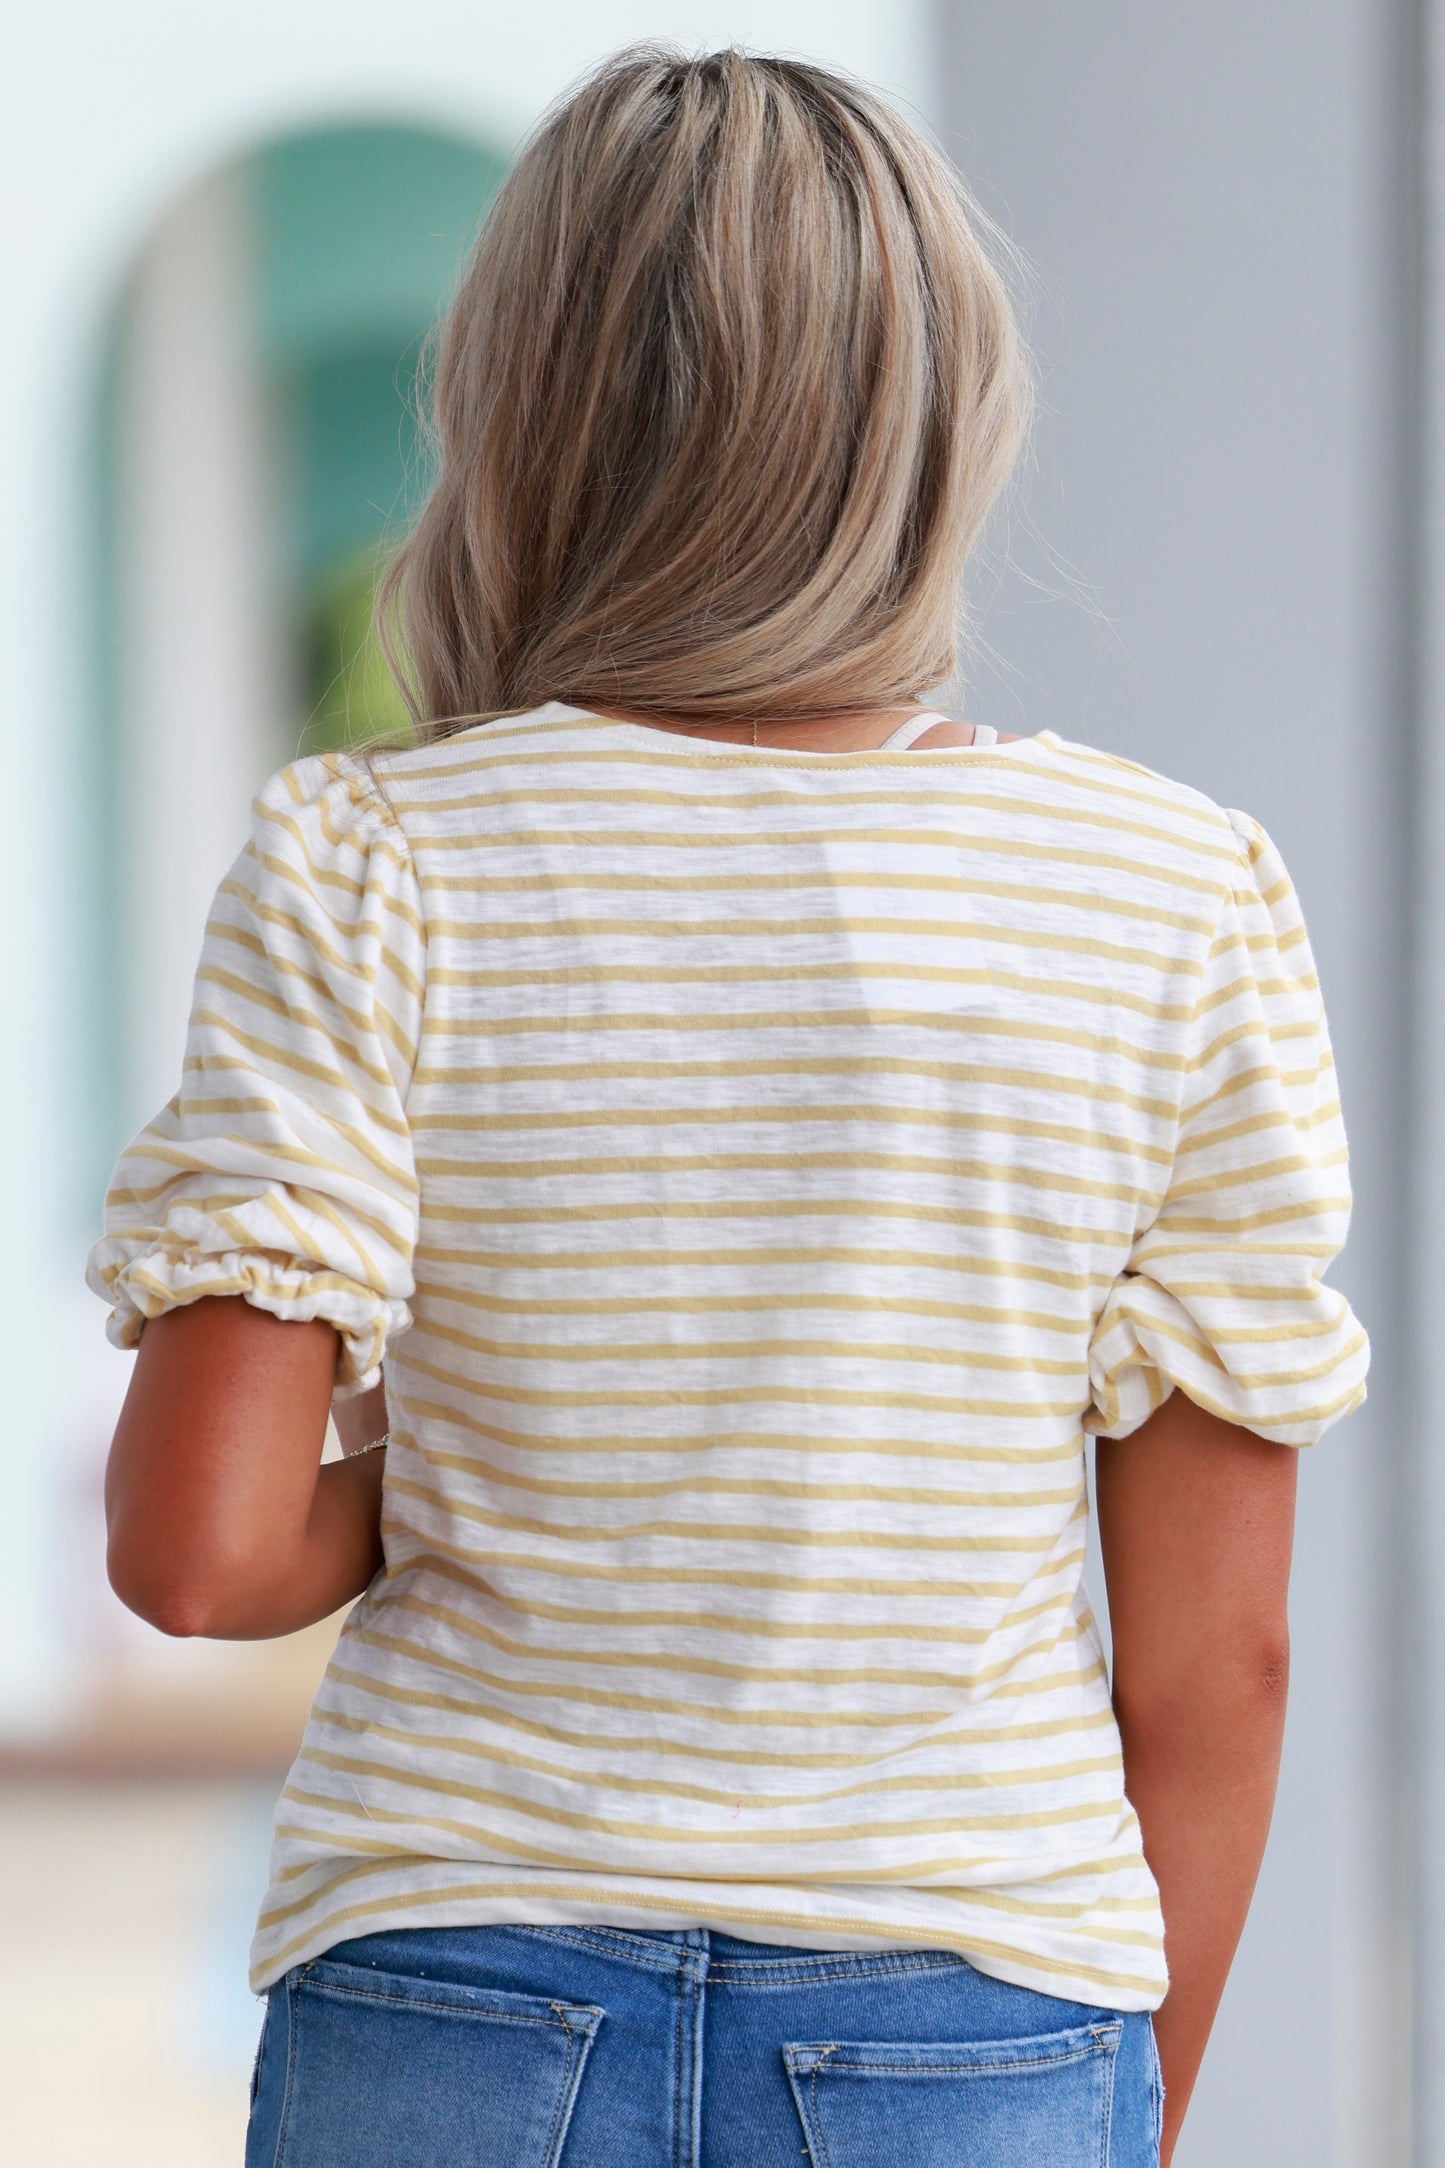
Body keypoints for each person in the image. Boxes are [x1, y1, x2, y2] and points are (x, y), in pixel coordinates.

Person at [89, 47, 1368, 2168]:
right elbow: (1214, 1665)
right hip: (974, 2015)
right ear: (942, 419)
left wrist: (493, 1470)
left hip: (458, 1995)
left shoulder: (377, 861)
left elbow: (204, 1556)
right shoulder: (1176, 896)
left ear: (519, 415)